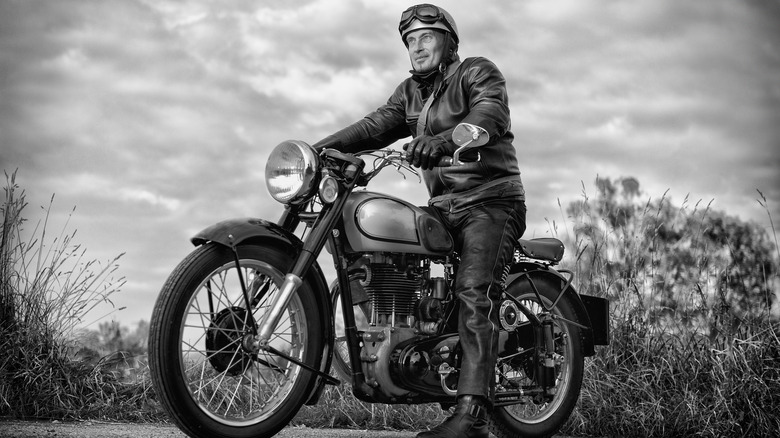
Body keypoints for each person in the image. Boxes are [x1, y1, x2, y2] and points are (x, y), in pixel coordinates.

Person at [313, 4, 526, 438]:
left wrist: (445, 140)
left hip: (491, 202)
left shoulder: (475, 72)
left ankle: (473, 416)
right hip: (445, 207)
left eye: (426, 37)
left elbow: (489, 116)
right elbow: (375, 125)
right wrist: (318, 150)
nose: (417, 46)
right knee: (383, 253)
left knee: (473, 289)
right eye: (410, 41)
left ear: (448, 41)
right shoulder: (411, 92)